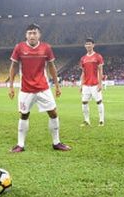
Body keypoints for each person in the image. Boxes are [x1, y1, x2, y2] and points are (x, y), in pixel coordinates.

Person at [8, 23, 71, 153]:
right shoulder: (19, 48)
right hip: (26, 89)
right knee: (24, 115)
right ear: (26, 35)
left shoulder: (46, 48)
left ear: (39, 35)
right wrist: (11, 86)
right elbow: (13, 67)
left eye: (34, 33)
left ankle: (56, 142)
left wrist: (57, 85)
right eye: (30, 33)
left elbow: (52, 67)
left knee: (53, 113)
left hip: (43, 88)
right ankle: (20, 144)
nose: (32, 35)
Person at [79, 38, 105, 127]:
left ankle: (101, 120)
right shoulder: (83, 58)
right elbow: (83, 72)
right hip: (86, 84)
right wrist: (81, 84)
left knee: (99, 102)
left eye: (89, 44)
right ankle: (87, 120)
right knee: (84, 102)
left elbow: (100, 70)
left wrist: (100, 83)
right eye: (86, 44)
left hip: (95, 84)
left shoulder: (98, 56)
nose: (88, 45)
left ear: (93, 45)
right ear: (85, 46)